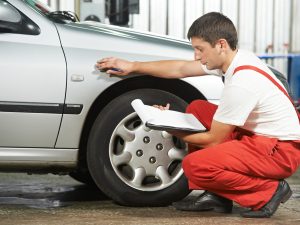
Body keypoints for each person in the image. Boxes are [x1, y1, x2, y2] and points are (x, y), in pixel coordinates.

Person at [96, 12, 300, 218]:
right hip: (262, 137)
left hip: (280, 151)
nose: (196, 56)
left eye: (200, 49)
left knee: (195, 166)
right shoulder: (234, 58)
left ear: (221, 45)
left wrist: (172, 128)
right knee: (197, 109)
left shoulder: (242, 81)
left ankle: (268, 192)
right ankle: (218, 196)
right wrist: (133, 66)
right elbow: (180, 68)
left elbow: (212, 140)